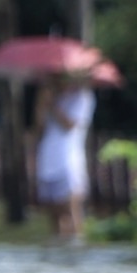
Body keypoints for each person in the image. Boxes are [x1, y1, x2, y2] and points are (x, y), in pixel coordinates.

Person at [34, 72, 96, 243]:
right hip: (47, 158)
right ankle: (57, 246)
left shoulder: (82, 97)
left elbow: (69, 125)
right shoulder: (51, 96)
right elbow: (39, 129)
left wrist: (52, 105)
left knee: (70, 207)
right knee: (53, 211)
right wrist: (42, 104)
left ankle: (76, 245)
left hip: (68, 159)